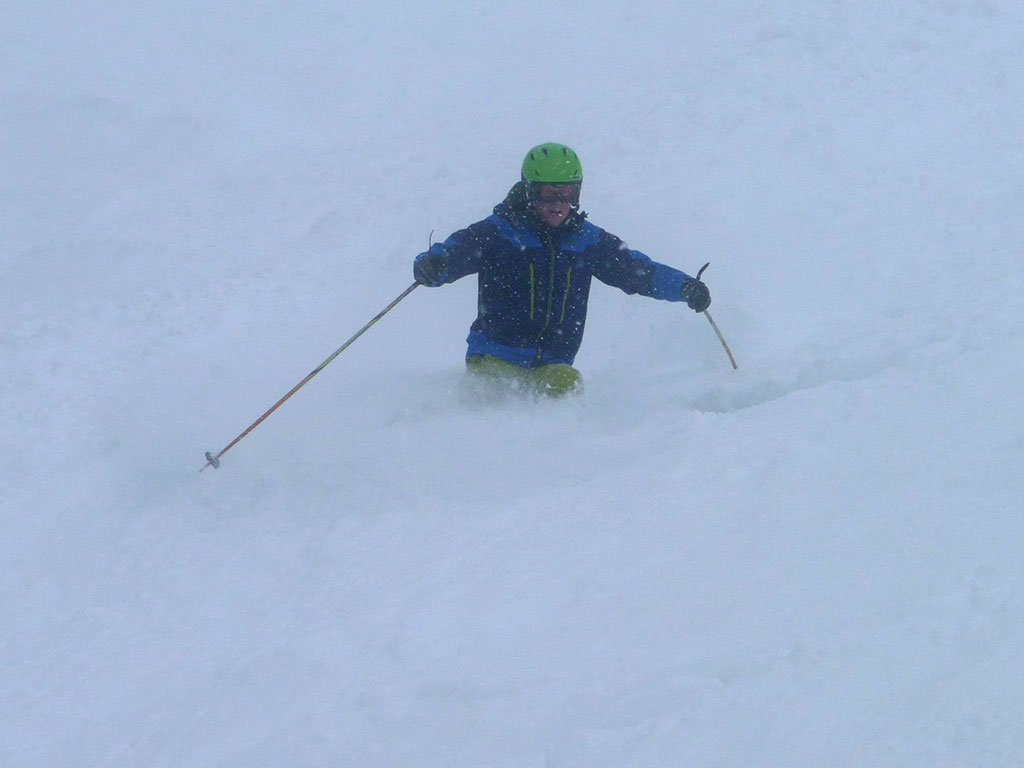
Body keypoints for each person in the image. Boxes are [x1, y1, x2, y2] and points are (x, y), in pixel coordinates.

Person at [413, 142, 711, 397]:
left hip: (554, 364)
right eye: (548, 194)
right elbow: (455, 253)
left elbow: (637, 270)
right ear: (530, 192)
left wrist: (684, 287)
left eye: (568, 193)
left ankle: (562, 457)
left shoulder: (586, 241)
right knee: (486, 403)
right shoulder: (499, 233)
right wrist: (434, 265)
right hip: (494, 356)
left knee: (566, 386)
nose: (559, 204)